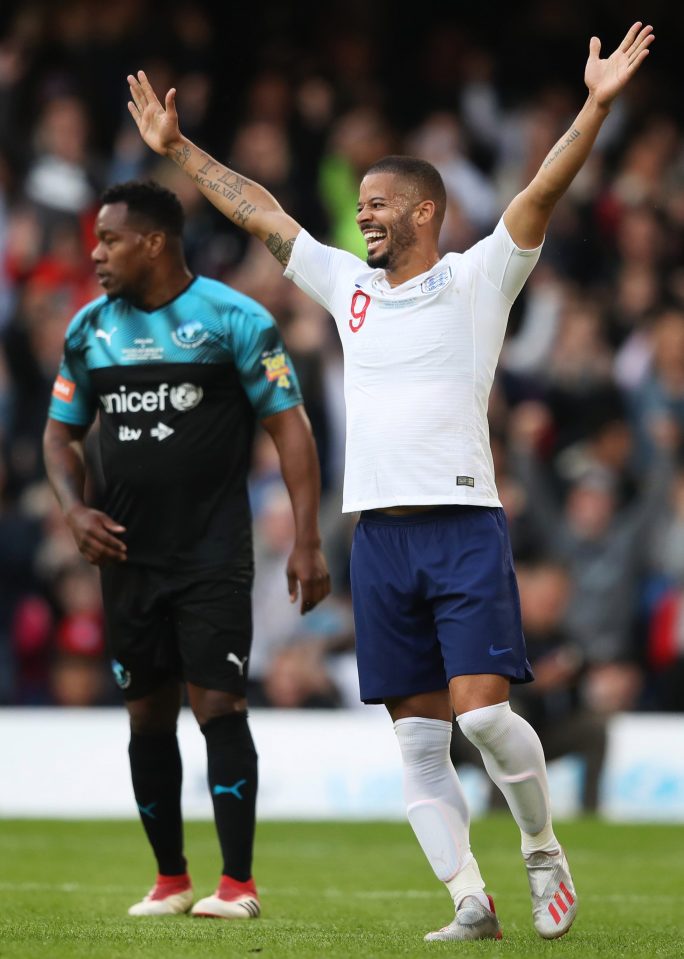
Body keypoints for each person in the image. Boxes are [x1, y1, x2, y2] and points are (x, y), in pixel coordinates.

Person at [126, 21, 654, 942]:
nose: (361, 214)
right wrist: (181, 153)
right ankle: (470, 901)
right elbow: (261, 211)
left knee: (483, 719)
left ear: (422, 211)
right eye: (361, 203)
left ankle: (540, 851)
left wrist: (597, 105)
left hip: (462, 525)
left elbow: (544, 186)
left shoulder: (480, 277)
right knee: (417, 740)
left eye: (377, 203)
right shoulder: (349, 289)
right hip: (380, 538)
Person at [42, 180, 330, 919]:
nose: (96, 253)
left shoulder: (234, 319)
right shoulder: (88, 330)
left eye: (109, 239)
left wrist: (306, 537)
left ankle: (238, 883)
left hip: (212, 551)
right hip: (127, 559)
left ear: (155, 242)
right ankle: (170, 878)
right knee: (145, 714)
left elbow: (290, 428)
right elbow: (59, 432)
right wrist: (74, 510)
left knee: (219, 704)